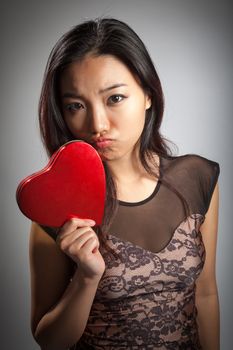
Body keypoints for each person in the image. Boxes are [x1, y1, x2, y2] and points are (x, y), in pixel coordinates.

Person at [29, 18, 220, 350]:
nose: (97, 124)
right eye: (75, 106)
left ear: (147, 94)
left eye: (114, 98)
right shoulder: (56, 210)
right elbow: (48, 341)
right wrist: (87, 279)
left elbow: (205, 293)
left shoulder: (198, 178)